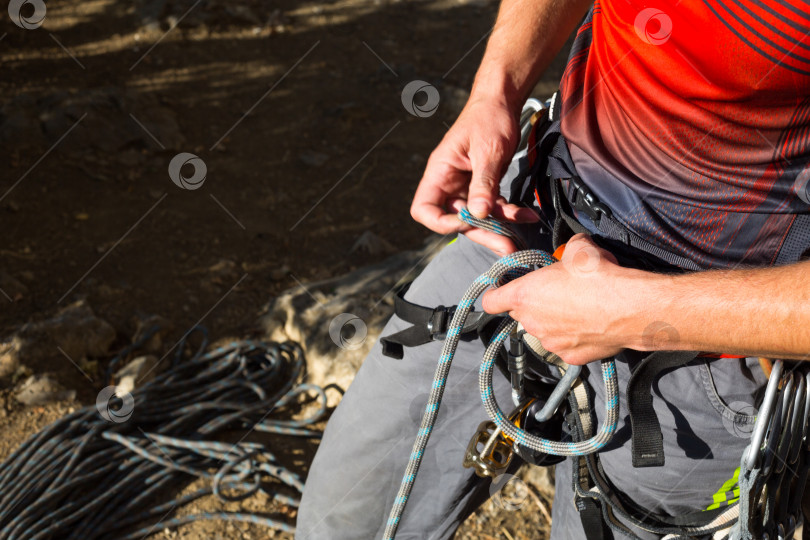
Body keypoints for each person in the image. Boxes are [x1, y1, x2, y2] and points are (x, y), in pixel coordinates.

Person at [296, 0, 810, 537]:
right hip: (531, 219)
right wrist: (496, 87)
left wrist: (633, 313)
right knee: (344, 516)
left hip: (703, 341)